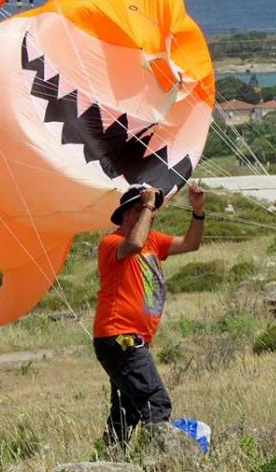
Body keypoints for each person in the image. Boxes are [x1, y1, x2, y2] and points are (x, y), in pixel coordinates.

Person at [94, 182, 205, 448]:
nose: (153, 214)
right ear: (128, 213)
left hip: (131, 337)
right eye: (146, 210)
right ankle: (159, 458)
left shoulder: (153, 240)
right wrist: (146, 204)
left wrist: (198, 211)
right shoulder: (112, 242)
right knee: (155, 400)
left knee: (126, 409)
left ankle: (109, 458)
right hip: (119, 335)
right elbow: (133, 244)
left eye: (153, 210)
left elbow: (191, 244)